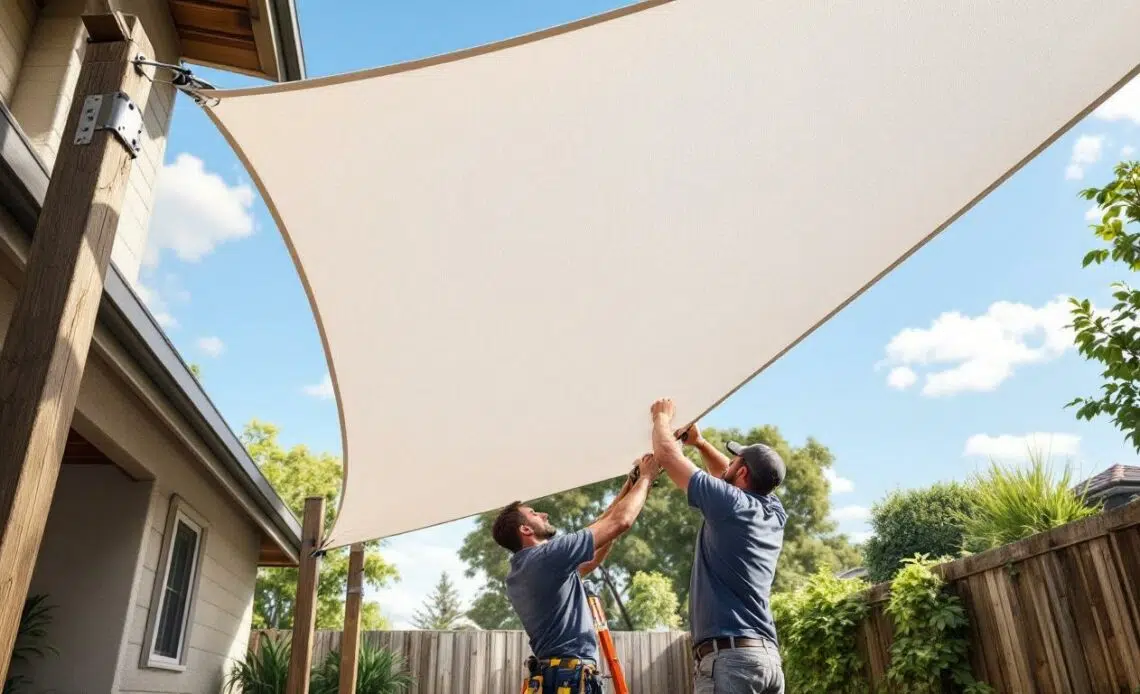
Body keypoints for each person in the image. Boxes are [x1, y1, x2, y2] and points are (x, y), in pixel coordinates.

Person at [648, 397, 787, 694]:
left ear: (743, 473)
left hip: (731, 662)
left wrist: (661, 417)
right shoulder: (774, 512)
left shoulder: (730, 505)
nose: (728, 464)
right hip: (768, 662)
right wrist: (699, 443)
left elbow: (668, 456)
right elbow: (728, 474)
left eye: (735, 462)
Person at [491, 452, 660, 693]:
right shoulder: (547, 558)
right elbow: (619, 521)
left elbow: (594, 551)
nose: (544, 514)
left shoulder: (524, 570)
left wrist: (630, 485)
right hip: (569, 677)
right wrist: (647, 477)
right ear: (526, 529)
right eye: (534, 513)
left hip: (556, 676)